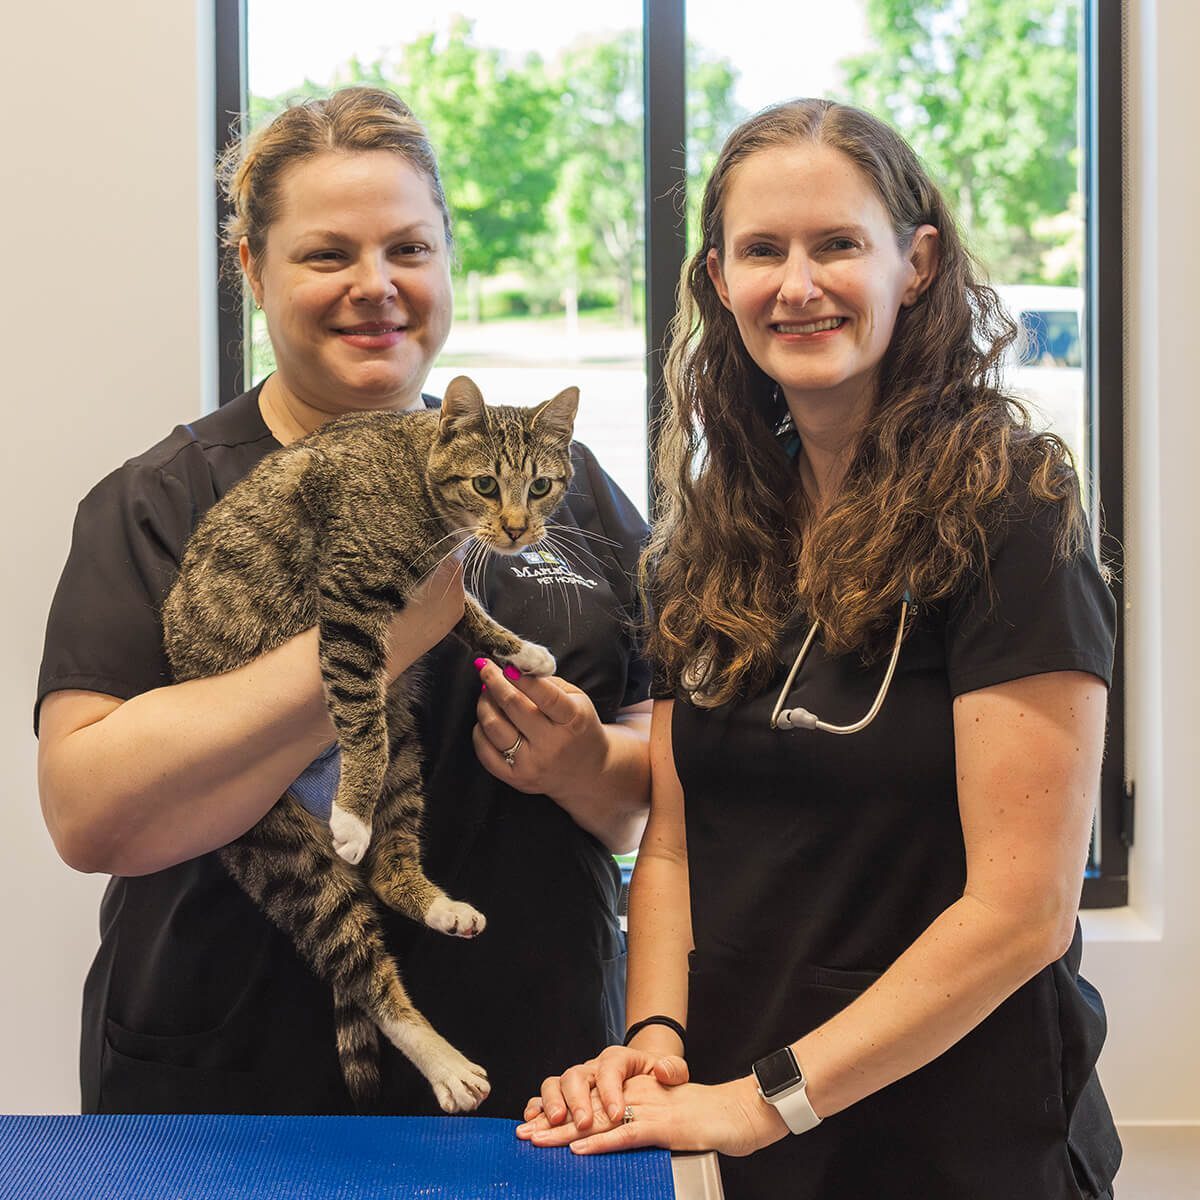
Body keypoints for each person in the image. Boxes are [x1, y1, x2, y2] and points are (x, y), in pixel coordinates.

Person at [517, 99, 1120, 1199]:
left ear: (918, 262)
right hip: (746, 1137)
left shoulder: (1013, 511)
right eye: (762, 251)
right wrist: (657, 1036)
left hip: (957, 1141)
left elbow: (1022, 912)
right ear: (718, 281)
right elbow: (675, 845)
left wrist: (765, 1099)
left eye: (837, 243)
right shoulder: (719, 525)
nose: (798, 285)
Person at [35, 86, 651, 1118]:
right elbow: (91, 815)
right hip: (226, 1098)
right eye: (329, 255)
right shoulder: (159, 500)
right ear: (252, 269)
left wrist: (593, 766)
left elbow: (666, 780)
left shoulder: (561, 481)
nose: (377, 287)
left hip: (541, 1089)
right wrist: (382, 632)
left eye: (409, 249)